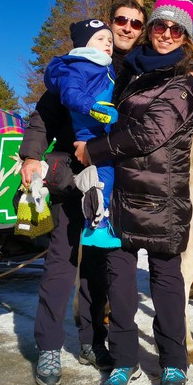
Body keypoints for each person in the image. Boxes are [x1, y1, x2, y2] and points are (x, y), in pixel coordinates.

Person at [74, 0, 193, 385]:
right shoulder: (132, 70)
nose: (166, 34)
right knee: (120, 284)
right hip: (120, 193)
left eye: (176, 30)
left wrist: (94, 150)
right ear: (150, 29)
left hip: (161, 196)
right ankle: (123, 360)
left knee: (166, 282)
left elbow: (151, 132)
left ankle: (173, 362)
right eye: (159, 26)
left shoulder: (186, 79)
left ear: (186, 37)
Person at [20, 1, 147, 385]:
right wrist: (29, 156)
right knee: (61, 259)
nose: (127, 28)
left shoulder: (138, 69)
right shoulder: (77, 66)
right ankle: (49, 347)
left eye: (135, 23)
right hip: (72, 174)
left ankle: (93, 341)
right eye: (120, 21)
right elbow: (43, 114)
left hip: (113, 180)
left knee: (97, 265)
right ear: (108, 26)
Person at [43, 19, 120, 248]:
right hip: (90, 129)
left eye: (109, 40)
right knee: (103, 175)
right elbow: (70, 93)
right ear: (85, 44)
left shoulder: (103, 66)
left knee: (106, 174)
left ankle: (100, 222)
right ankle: (95, 226)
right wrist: (93, 108)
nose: (108, 44)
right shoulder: (77, 66)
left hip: (103, 127)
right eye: (100, 39)